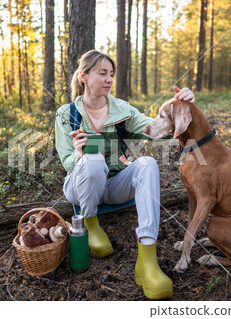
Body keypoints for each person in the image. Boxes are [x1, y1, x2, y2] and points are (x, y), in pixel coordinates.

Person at [54, 50, 195, 300]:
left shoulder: (122, 110)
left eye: (111, 74)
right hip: (80, 188)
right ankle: (91, 223)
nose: (109, 79)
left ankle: (147, 258)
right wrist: (78, 155)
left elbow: (155, 129)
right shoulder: (67, 114)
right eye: (102, 73)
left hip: (114, 186)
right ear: (84, 77)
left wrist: (181, 105)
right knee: (94, 159)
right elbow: (66, 161)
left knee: (148, 163)